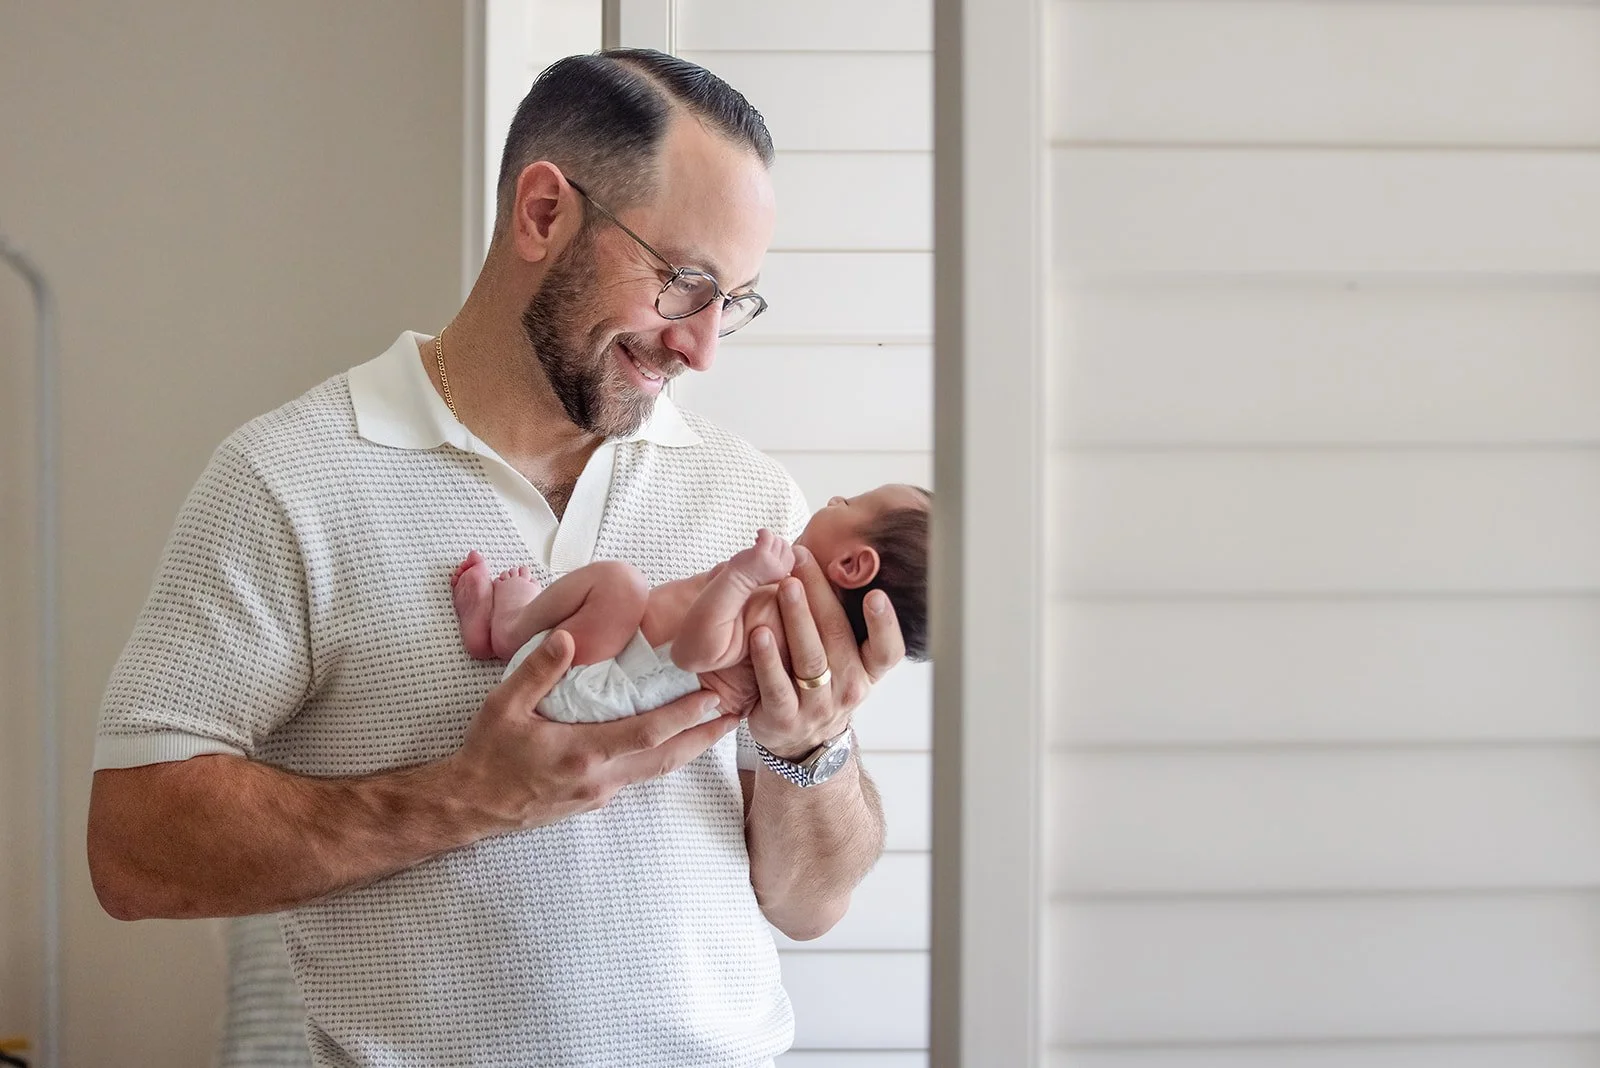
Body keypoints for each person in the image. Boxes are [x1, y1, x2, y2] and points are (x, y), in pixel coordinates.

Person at [86, 49, 907, 1067]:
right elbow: (131, 852)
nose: (703, 350)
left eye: (733, 301)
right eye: (685, 284)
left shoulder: (755, 502)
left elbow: (811, 904)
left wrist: (810, 748)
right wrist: (471, 794)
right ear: (542, 213)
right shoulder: (285, 478)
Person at [450, 485, 931, 726]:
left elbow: (694, 654)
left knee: (620, 585)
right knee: (622, 594)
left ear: (851, 565)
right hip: (605, 683)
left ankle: (506, 630)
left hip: (591, 687)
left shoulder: (777, 613)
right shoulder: (801, 631)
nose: (833, 498)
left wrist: (742, 576)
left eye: (849, 504)